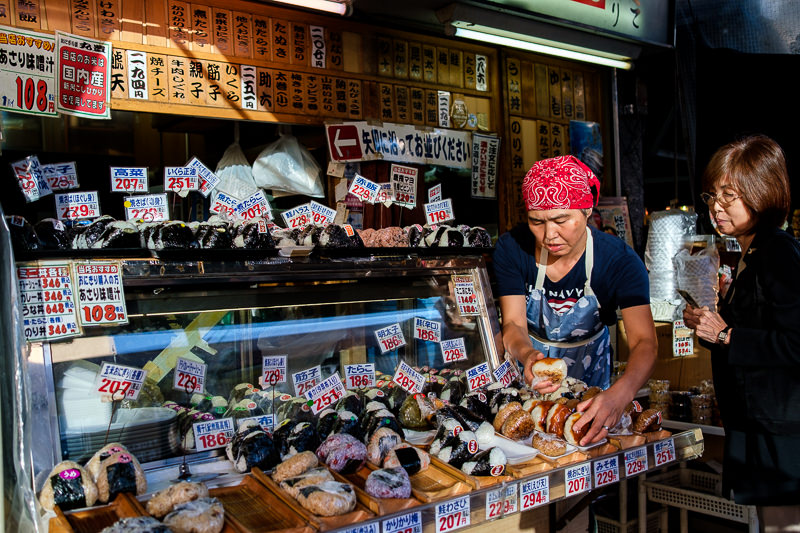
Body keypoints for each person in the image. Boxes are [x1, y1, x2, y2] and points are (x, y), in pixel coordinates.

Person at [493, 155, 657, 445]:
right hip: (529, 383)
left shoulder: (619, 261)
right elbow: (514, 324)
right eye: (536, 221)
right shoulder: (512, 248)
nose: (549, 235)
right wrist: (527, 355)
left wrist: (621, 393)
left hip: (592, 385)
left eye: (561, 220)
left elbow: (645, 342)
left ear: (587, 209)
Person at [683, 135, 800, 529]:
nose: (716, 206)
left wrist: (725, 335)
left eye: (728, 196)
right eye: (712, 196)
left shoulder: (779, 252)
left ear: (761, 192)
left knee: (783, 525)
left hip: (783, 434)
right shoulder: (753, 251)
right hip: (760, 426)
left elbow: (795, 342)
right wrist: (708, 326)